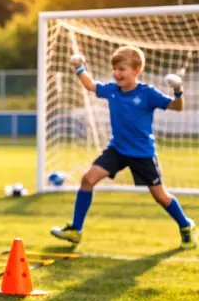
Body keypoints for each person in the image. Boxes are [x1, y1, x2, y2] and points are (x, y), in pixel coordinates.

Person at [49, 47, 192, 249]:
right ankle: (75, 230)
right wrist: (79, 68)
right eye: (114, 69)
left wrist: (178, 90)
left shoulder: (147, 93)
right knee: (88, 179)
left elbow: (177, 107)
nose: (116, 73)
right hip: (117, 149)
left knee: (160, 196)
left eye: (121, 69)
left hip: (143, 154)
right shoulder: (112, 90)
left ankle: (185, 225)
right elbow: (90, 85)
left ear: (136, 69)